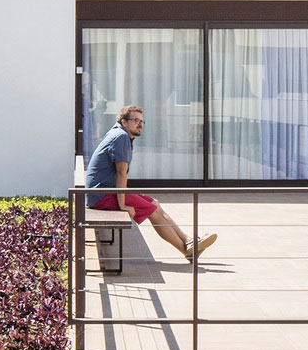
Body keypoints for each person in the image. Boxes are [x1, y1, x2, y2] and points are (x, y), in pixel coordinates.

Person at [85, 104, 216, 261]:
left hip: (103, 191)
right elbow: (121, 173)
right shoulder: (120, 137)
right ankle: (187, 250)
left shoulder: (119, 134)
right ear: (124, 122)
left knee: (155, 203)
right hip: (102, 195)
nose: (140, 124)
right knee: (152, 209)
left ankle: (189, 241)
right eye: (135, 120)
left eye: (142, 121)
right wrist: (122, 205)